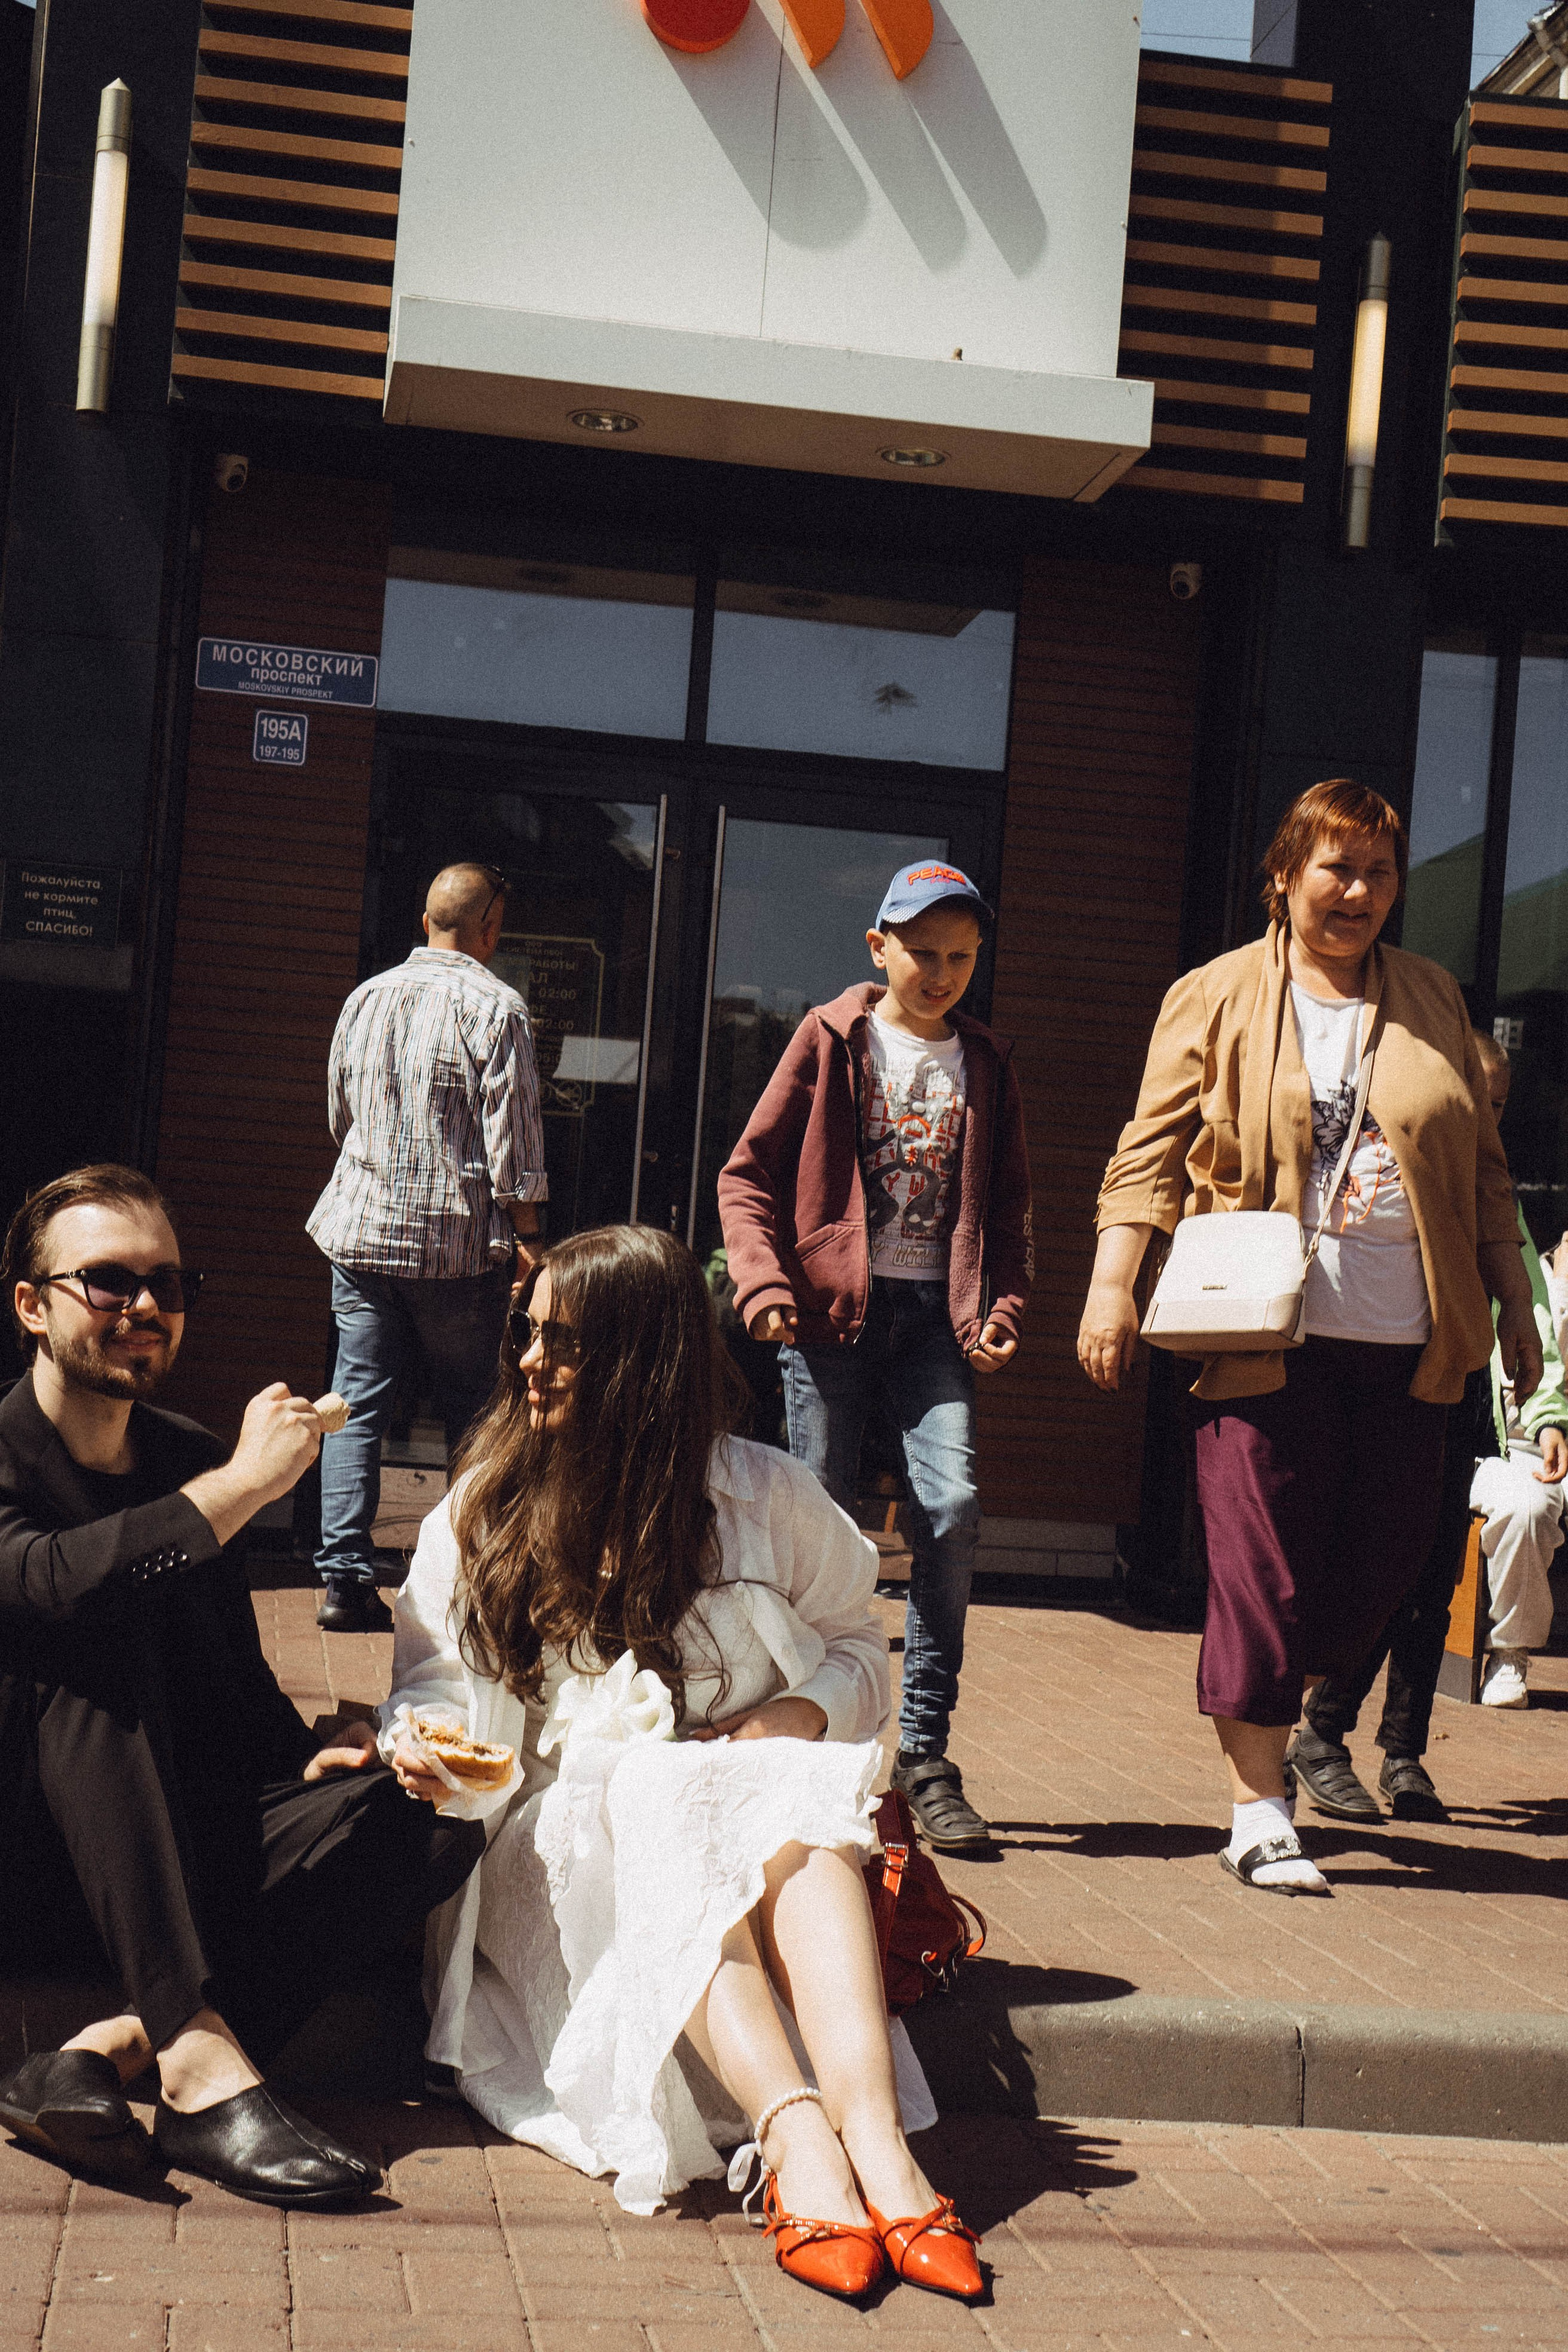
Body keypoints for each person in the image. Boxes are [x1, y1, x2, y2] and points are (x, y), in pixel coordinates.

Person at [381, 1224, 984, 2305]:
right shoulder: (486, 1508)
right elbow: (429, 1677)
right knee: (653, 1782)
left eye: (564, 1342)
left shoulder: (766, 1494)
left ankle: (882, 2148)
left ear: (641, 1357)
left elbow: (859, 1646)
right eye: (529, 1334)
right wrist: (423, 1742)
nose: (528, 1361)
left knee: (787, 1778)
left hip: (748, 1823)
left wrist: (785, 1720)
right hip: (560, 1848)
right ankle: (796, 2140)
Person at [1077, 779, 1539, 1896]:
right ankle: (1258, 1807)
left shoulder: (1429, 995)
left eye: (1379, 873)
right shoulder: (1217, 993)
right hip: (1264, 1341)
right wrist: (1111, 1287)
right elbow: (1149, 1151)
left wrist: (1514, 1303)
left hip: (1408, 1341)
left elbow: (1480, 1169)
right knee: (1262, 1574)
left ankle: (1289, 1721)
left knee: (1378, 1567)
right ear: (1284, 875)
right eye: (1335, 868)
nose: (1358, 892)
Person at [0, 1164, 483, 2204]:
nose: (145, 1308)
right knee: (88, 1645)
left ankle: (102, 2056)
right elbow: (53, 1583)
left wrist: (315, 1753)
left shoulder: (186, 1458)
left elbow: (228, 1682)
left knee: (428, 1822)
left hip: (162, 1859)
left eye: (169, 1285)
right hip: (31, 1861)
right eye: (109, 1282)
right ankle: (198, 2058)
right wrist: (244, 1488)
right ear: (31, 1307)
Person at [716, 862, 1031, 1854]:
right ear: (878, 947)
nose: (940, 973)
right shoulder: (830, 1037)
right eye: (923, 952)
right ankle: (800, 1748)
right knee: (820, 1528)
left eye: (960, 957)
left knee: (952, 1509)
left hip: (937, 1323)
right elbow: (747, 1177)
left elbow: (1012, 1210)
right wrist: (764, 1286)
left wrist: (1006, 1303)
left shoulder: (986, 1061)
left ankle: (927, 1755)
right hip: (829, 1321)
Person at [1294, 1031, 1566, 1805]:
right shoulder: (1391, 1175)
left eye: (1500, 1106)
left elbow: (1533, 1318)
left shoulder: (1495, 1196)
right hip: (1398, 1394)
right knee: (1386, 1568)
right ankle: (1322, 1730)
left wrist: (1546, 1414)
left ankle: (1404, 1753)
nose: (1487, 1117)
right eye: (1473, 1100)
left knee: (1434, 1580)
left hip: (1464, 1405)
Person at [307, 861, 547, 1632]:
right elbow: (513, 1142)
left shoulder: (364, 998)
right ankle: (460, 1580)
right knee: (474, 1410)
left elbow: (340, 1119)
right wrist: (530, 1234)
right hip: (457, 1244)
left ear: (425, 921)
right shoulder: (498, 1007)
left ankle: (343, 1579)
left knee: (355, 1401)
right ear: (490, 928)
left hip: (362, 1230)